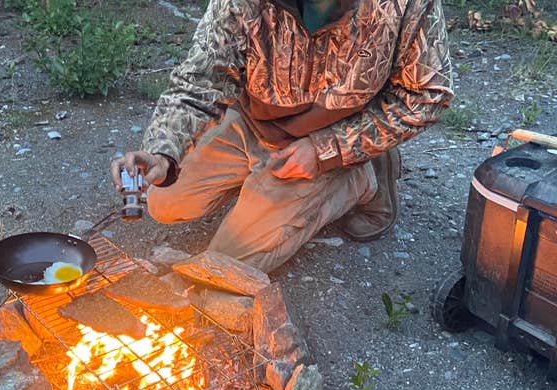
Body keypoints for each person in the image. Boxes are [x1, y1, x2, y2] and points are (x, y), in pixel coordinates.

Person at [111, 0, 453, 272]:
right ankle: (260, 178)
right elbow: (200, 79)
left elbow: (427, 95)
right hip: (255, 119)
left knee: (226, 263)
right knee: (165, 201)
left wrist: (328, 149)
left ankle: (365, 172)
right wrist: (162, 151)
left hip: (335, 132)